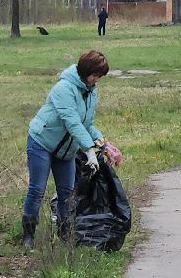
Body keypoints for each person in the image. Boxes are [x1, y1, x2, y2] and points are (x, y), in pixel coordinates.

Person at [24, 49, 122, 247]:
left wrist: (102, 144)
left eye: (100, 77)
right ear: (85, 71)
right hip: (42, 143)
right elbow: (73, 122)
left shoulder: (90, 92)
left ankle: (66, 237)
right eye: (95, 75)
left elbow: (87, 123)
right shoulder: (64, 88)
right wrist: (88, 152)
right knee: (37, 190)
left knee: (67, 193)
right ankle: (28, 236)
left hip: (66, 151)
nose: (97, 80)